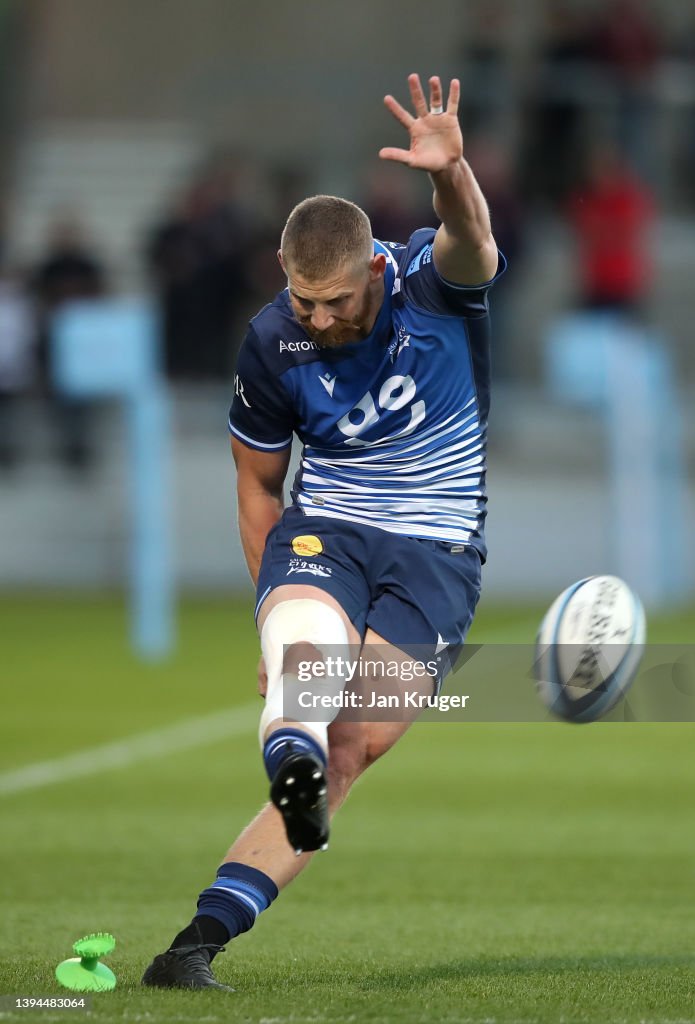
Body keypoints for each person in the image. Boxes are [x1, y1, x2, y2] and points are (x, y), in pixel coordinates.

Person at [142, 73, 504, 991]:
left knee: (353, 747)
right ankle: (286, 742)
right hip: (326, 531)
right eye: (303, 300)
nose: (319, 318)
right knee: (308, 671)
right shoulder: (273, 342)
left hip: (436, 552)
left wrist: (452, 172)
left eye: (335, 301)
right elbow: (257, 491)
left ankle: (195, 944)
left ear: (374, 270)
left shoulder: (434, 284)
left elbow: (473, 238)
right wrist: (270, 614)